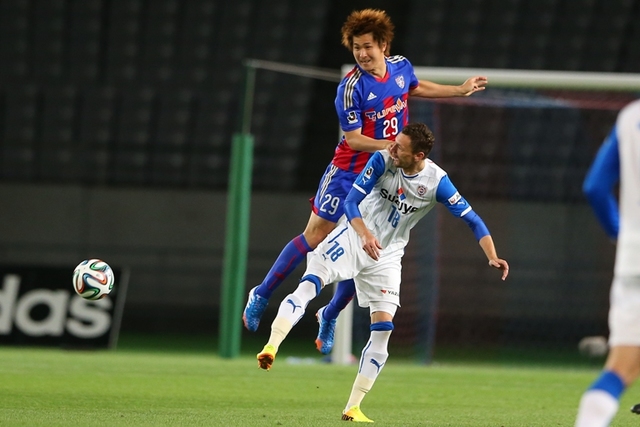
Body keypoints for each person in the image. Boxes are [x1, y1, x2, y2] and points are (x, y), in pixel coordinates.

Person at [243, 8, 489, 355]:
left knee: (369, 250)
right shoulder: (350, 88)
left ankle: (329, 314)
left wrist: (459, 90)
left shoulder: (401, 67)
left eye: (367, 46)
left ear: (383, 45)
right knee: (315, 236)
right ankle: (262, 292)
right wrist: (390, 147)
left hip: (383, 174)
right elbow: (354, 139)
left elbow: (416, 87)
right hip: (348, 171)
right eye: (356, 47)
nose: (361, 53)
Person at [255, 123, 509, 422]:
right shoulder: (383, 159)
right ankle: (272, 345)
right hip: (355, 234)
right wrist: (364, 234)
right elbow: (351, 201)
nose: (392, 148)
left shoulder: (437, 182)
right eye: (394, 143)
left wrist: (492, 256)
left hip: (387, 254)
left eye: (400, 147)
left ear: (419, 155)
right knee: (310, 284)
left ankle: (353, 407)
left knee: (384, 328)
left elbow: (473, 220)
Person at [575, 99, 640, 427]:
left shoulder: (631, 117)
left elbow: (595, 187)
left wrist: (622, 235)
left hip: (634, 257)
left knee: (618, 371)